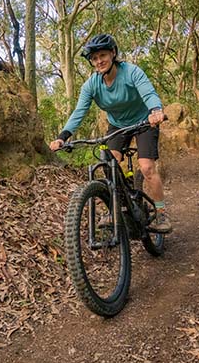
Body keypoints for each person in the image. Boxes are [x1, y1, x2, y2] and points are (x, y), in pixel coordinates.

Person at [48, 34, 172, 233]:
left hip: (144, 121)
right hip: (117, 126)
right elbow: (79, 111)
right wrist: (62, 137)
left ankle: (161, 213)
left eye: (103, 55)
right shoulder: (91, 85)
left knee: (147, 167)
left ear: (113, 53)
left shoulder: (131, 72)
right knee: (109, 162)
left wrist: (155, 111)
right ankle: (118, 206)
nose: (99, 61)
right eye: (94, 58)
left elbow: (148, 93)